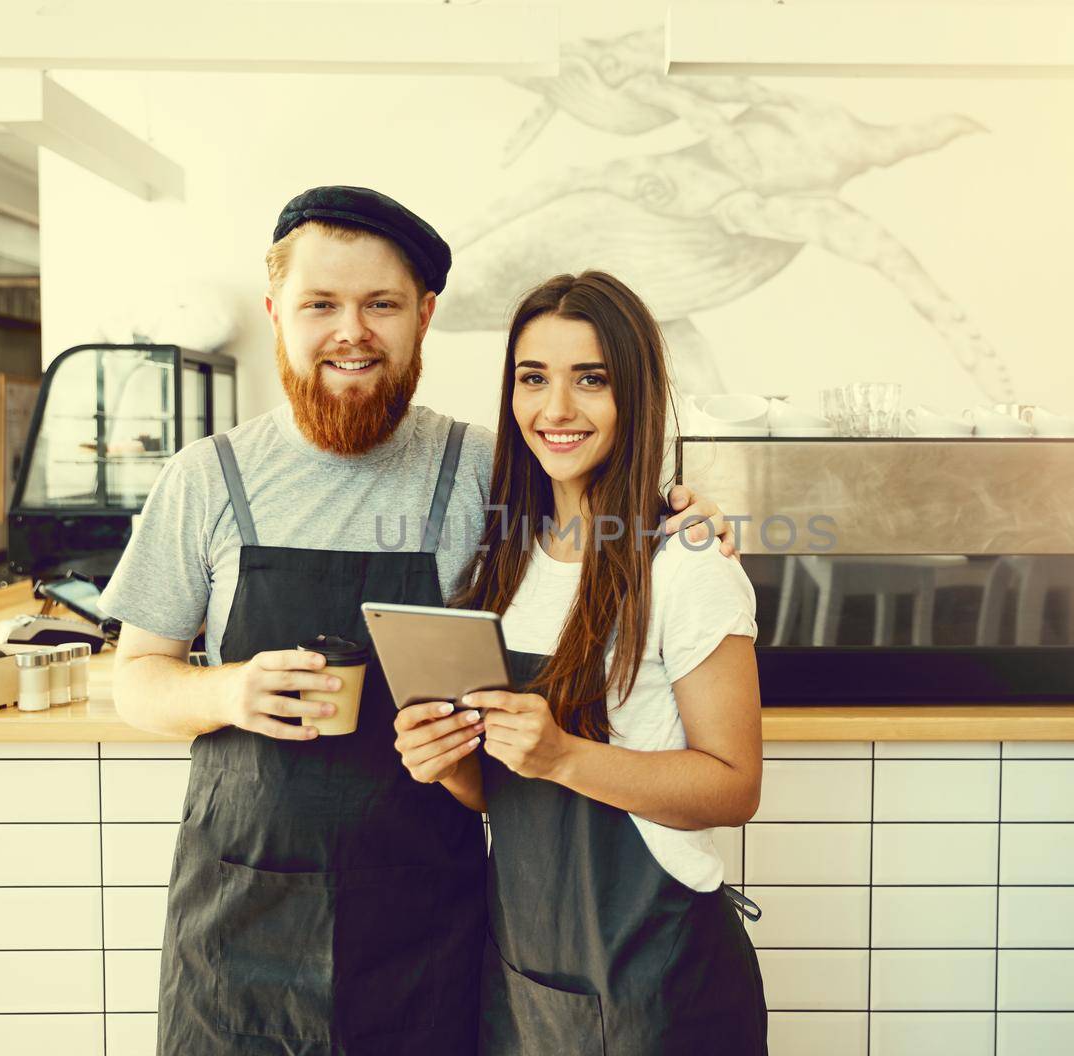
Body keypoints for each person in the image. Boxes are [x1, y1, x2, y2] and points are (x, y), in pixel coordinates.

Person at [101, 188, 735, 1055]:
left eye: (381, 305)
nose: (350, 331)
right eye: (320, 304)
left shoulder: (484, 471)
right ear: (276, 313)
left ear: (424, 317)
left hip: (427, 926)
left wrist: (680, 508)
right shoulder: (205, 479)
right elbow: (135, 682)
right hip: (238, 923)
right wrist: (229, 691)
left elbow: (592, 492)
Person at [395, 270, 767, 1054]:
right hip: (527, 981)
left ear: (635, 395)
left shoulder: (687, 563)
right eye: (534, 379)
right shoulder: (504, 563)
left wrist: (563, 754)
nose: (555, 410)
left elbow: (734, 786)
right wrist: (451, 764)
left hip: (661, 987)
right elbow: (504, 795)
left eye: (590, 380)